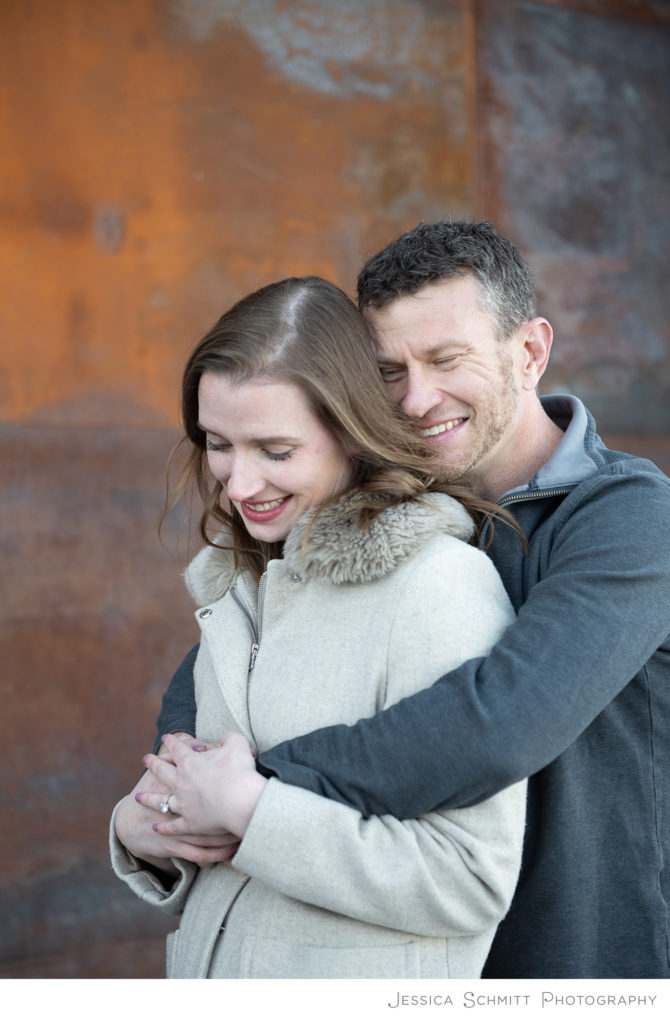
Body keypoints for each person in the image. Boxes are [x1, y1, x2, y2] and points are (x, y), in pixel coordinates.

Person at [139, 220, 670, 979]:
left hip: (581, 960)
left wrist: (249, 789)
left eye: (446, 360)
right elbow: (229, 656)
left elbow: (498, 724)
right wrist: (174, 777)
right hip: (424, 965)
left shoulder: (630, 519)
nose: (418, 399)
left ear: (529, 352)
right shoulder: (388, 514)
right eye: (390, 370)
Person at [111, 274, 527, 979]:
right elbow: (211, 830)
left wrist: (254, 814)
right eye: (217, 444)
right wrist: (139, 831)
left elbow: (471, 878)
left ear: (353, 433)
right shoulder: (242, 585)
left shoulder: (437, 588)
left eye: (275, 452)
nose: (238, 485)